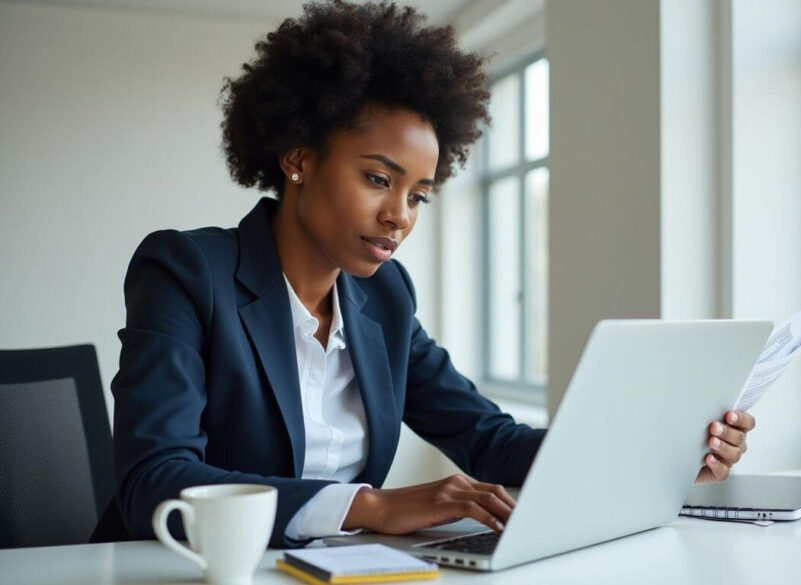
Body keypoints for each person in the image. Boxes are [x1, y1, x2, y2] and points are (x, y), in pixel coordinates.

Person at [91, 0, 756, 549]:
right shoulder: (185, 271)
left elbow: (486, 438)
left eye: (418, 194)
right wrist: (370, 506)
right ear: (298, 158)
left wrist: (658, 451)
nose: (398, 216)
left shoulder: (383, 296)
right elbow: (156, 475)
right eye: (378, 178)